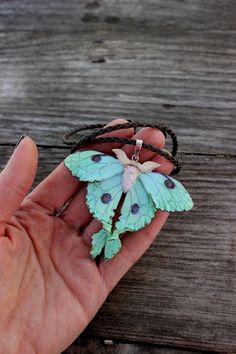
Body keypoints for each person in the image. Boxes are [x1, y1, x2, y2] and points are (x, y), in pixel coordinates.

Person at [0, 119, 173, 354]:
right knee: (115, 218)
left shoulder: (119, 164)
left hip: (121, 189)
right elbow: (78, 164)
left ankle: (110, 235)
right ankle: (109, 236)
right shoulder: (138, 169)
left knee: (117, 221)